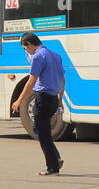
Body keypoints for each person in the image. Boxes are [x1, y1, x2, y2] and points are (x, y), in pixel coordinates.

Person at [10, 33, 66, 176]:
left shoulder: (38, 57)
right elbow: (62, 80)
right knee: (44, 131)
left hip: (43, 98)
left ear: (29, 44)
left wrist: (19, 100)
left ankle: (52, 167)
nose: (26, 51)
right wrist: (60, 101)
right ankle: (56, 159)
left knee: (40, 132)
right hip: (53, 99)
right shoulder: (55, 55)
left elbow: (31, 81)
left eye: (25, 48)